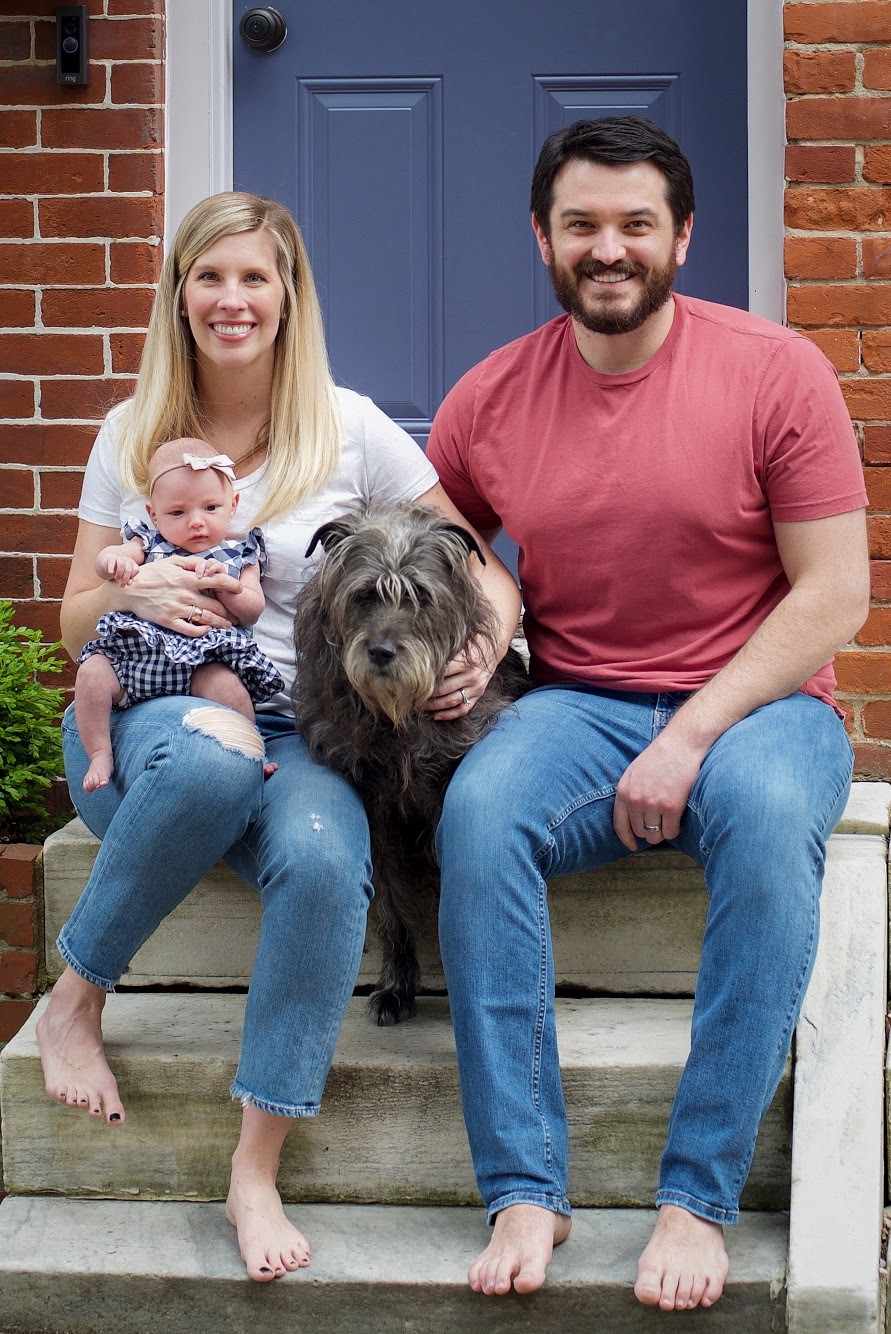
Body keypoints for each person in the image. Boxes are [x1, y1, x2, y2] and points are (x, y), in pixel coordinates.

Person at [426, 117, 870, 1312]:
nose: (607, 247)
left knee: (773, 828)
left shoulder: (778, 371)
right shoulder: (495, 392)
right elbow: (450, 526)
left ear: (683, 234)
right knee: (478, 817)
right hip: (579, 702)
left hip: (762, 701)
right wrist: (495, 600)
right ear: (542, 237)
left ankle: (697, 1192)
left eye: (635, 223)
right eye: (582, 225)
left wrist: (688, 737)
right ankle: (525, 1184)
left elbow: (835, 593)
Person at [38, 190, 521, 1283]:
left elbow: (478, 561)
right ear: (181, 295)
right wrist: (142, 587)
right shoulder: (133, 430)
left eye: (255, 276)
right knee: (209, 752)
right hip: (142, 722)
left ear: (289, 294)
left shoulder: (349, 425)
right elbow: (68, 616)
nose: (232, 298)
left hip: (293, 725)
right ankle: (78, 997)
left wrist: (487, 644)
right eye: (209, 276)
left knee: (326, 854)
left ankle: (254, 1168)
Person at [75, 436, 284, 792]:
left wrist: (225, 586)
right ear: (153, 514)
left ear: (232, 504)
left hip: (203, 663)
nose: (196, 523)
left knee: (227, 687)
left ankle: (253, 754)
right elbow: (106, 559)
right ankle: (99, 752)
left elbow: (252, 609)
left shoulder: (239, 554)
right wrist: (113, 562)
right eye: (177, 512)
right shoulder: (147, 542)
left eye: (210, 508)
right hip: (136, 661)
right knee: (92, 673)